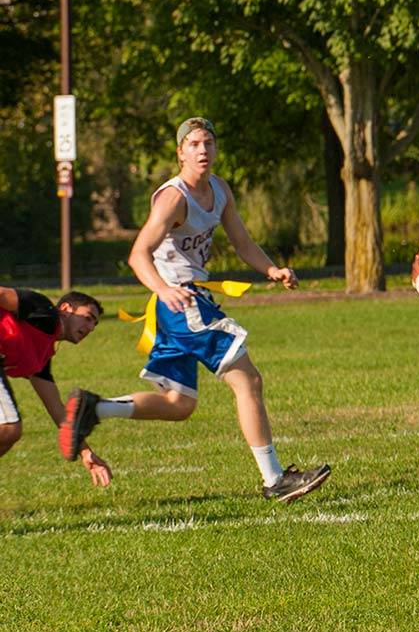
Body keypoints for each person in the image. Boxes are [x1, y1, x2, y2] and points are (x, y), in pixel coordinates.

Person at [59, 117, 331, 503]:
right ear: (180, 153)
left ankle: (94, 408)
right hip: (181, 302)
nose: (203, 150)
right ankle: (274, 479)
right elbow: (137, 255)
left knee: (179, 405)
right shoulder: (174, 197)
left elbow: (242, 241)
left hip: (181, 304)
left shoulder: (219, 189)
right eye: (194, 144)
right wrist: (163, 289)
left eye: (208, 143)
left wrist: (272, 269)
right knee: (247, 380)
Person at [0, 286, 112, 485]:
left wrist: (85, 452)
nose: (90, 328)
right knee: (9, 428)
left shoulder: (41, 356)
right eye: (87, 317)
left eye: (94, 324)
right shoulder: (43, 309)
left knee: (9, 432)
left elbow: (58, 410)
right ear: (66, 309)